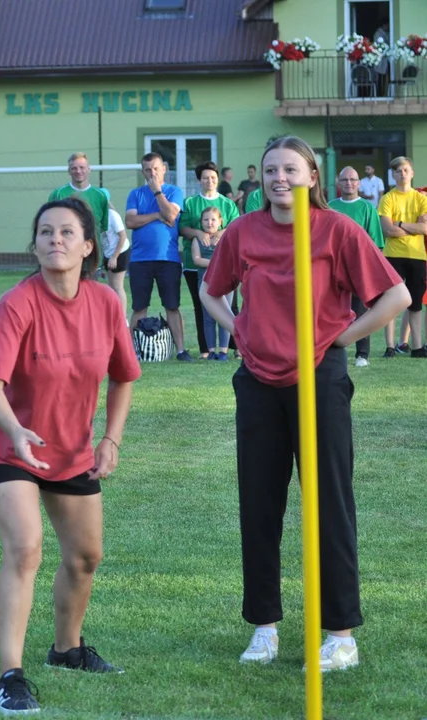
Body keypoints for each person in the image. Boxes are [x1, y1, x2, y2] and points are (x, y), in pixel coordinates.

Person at [200, 135, 410, 672]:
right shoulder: (242, 231)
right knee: (260, 504)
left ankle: (340, 635)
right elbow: (210, 290)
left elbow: (396, 297)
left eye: (291, 169)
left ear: (312, 176)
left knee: (330, 506)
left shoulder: (336, 229)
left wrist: (341, 338)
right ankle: (264, 628)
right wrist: (238, 330)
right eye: (271, 169)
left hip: (320, 379)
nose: (279, 178)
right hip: (258, 381)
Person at [0, 197, 140, 715]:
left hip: (70, 453)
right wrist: (16, 430)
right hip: (7, 449)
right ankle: (10, 677)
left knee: (86, 558)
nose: (55, 240)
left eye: (67, 232)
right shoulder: (18, 303)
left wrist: (110, 439)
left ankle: (67, 650)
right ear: (35, 244)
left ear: (89, 247)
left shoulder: (107, 303)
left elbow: (125, 376)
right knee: (25, 547)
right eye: (45, 232)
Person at [125, 152, 193, 361]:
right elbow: (130, 222)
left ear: (164, 168)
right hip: (139, 260)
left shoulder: (174, 192)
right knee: (139, 307)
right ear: (143, 171)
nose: (152, 173)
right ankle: (131, 353)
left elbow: (171, 215)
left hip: (168, 259)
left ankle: (180, 350)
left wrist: (157, 193)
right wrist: (156, 215)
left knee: (172, 306)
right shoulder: (135, 194)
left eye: (155, 168)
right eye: (147, 170)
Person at [179, 162, 240, 359]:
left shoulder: (228, 204)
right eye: (205, 178)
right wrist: (197, 232)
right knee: (201, 307)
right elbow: (182, 228)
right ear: (199, 180)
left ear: (218, 179)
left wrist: (223, 231)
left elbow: (237, 227)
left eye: (213, 177)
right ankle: (206, 350)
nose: (209, 181)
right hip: (196, 265)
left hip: (226, 266)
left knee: (230, 306)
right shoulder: (190, 203)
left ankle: (232, 347)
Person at [331, 167, 386, 367]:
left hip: (359, 270)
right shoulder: (330, 207)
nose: (349, 183)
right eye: (344, 180)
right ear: (339, 183)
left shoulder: (367, 208)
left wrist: (369, 269)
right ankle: (336, 350)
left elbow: (375, 243)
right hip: (334, 270)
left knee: (361, 312)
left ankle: (362, 354)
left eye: (353, 180)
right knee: (335, 311)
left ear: (359, 183)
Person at [377, 156, 427, 357]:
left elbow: (425, 228)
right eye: (398, 171)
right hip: (393, 256)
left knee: (415, 303)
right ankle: (390, 347)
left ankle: (416, 348)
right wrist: (412, 227)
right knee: (391, 302)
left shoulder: (422, 199)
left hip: (416, 256)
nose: (402, 174)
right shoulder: (387, 198)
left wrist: (399, 224)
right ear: (393, 175)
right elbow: (387, 230)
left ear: (412, 173)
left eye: (406, 170)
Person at [191, 207, 233, 360]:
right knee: (208, 316)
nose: (209, 223)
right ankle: (210, 350)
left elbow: (231, 258)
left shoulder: (226, 237)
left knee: (225, 314)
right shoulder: (198, 240)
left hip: (225, 281)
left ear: (220, 222)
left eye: (213, 219)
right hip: (205, 282)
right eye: (206, 220)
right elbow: (197, 259)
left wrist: (219, 265)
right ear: (201, 222)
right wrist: (216, 263)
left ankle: (223, 351)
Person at [48, 152, 110, 237]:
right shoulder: (58, 194)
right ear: (69, 171)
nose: (78, 171)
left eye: (82, 167)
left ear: (89, 169)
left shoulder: (100, 195)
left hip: (94, 248)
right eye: (74, 168)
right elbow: (50, 222)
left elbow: (103, 226)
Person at [102, 205, 130, 319]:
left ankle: (123, 319)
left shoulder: (112, 215)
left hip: (120, 252)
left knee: (118, 286)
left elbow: (123, 236)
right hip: (108, 253)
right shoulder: (98, 215)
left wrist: (114, 257)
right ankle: (113, 315)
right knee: (111, 286)